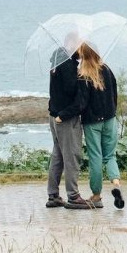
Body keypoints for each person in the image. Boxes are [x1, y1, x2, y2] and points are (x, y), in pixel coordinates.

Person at [67, 44, 126, 209]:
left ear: (82, 55)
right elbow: (114, 93)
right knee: (110, 155)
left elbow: (82, 102)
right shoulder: (107, 69)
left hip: (92, 122)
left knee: (96, 157)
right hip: (109, 119)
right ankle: (116, 184)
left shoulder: (83, 76)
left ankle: (96, 195)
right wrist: (112, 111)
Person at [46, 45, 93, 210]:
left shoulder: (57, 60)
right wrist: (81, 78)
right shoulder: (67, 64)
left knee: (58, 156)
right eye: (79, 45)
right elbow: (71, 89)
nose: (81, 50)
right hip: (65, 118)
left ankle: (53, 195)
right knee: (72, 155)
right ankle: (73, 196)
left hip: (54, 114)